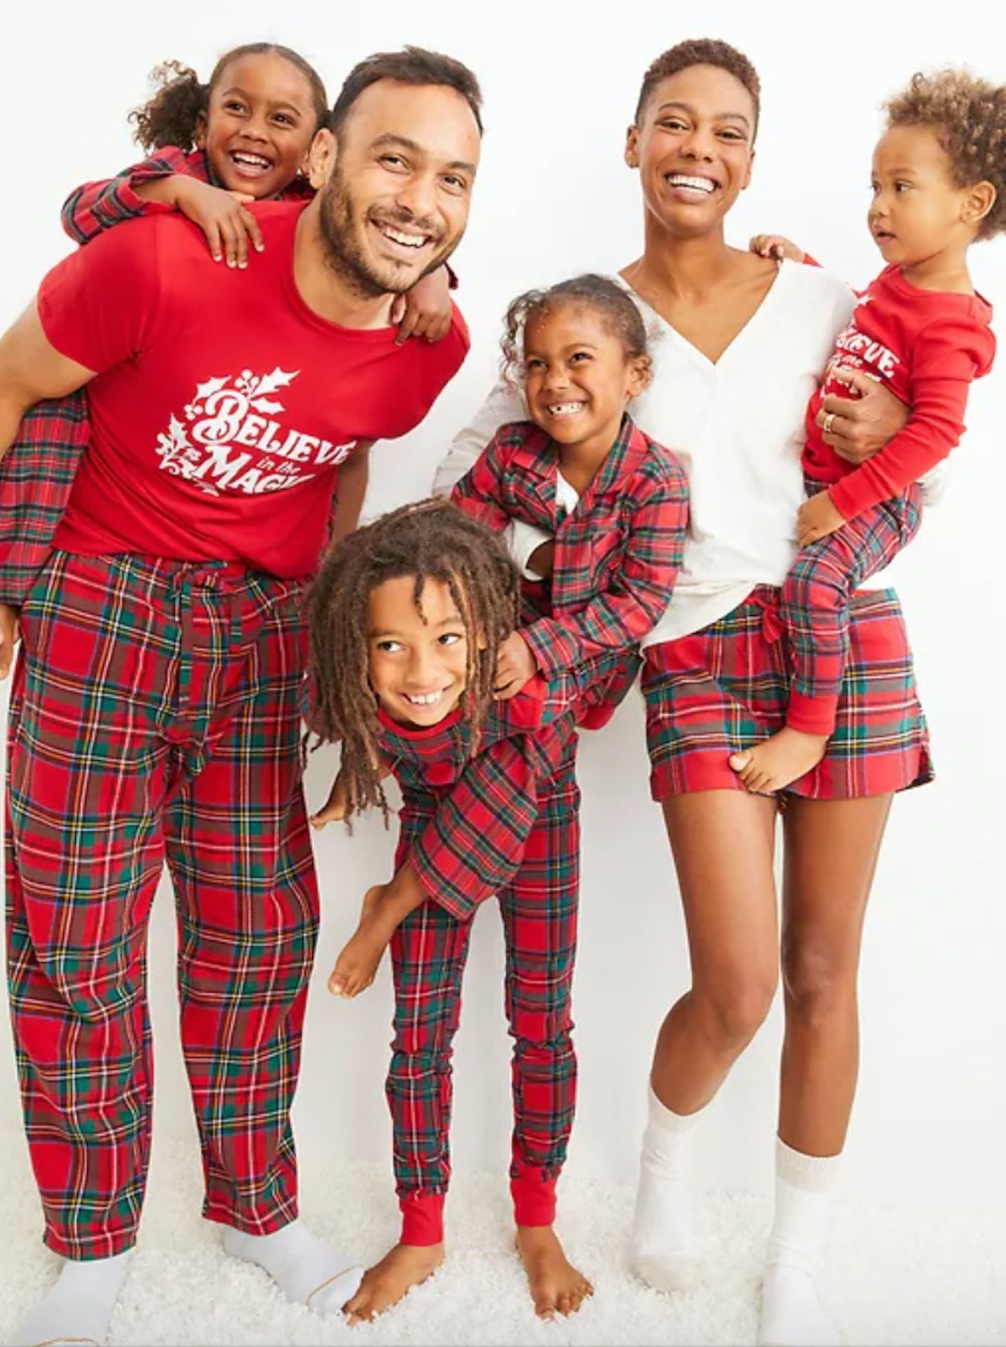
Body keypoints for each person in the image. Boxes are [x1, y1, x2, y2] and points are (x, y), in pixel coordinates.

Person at [434, 37, 938, 1347]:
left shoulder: (824, 298)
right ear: (633, 142)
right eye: (672, 122)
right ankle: (663, 1166)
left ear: (752, 158)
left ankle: (798, 1264)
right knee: (738, 982)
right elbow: (478, 460)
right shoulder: (593, 320)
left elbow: (916, 472)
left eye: (724, 130)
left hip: (845, 640)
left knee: (827, 967)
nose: (696, 148)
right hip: (697, 656)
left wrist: (892, 458)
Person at [0, 46, 482, 1347]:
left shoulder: (432, 340)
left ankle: (252, 1208)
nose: (420, 197)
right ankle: (91, 1246)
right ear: (322, 158)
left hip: (264, 636)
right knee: (77, 938)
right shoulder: (159, 260)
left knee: (257, 937)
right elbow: (9, 384)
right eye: (393, 157)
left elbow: (346, 462)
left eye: (453, 178)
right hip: (106, 607)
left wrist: (323, 610)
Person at [0, 43, 453, 665]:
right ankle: (4, 587)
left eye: (283, 119)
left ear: (320, 152)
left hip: (261, 599)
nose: (255, 131)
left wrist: (436, 274)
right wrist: (176, 191)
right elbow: (80, 210)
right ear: (203, 124)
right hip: (102, 505)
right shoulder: (167, 210)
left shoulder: (336, 238)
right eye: (236, 108)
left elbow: (390, 236)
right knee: (46, 449)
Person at [307, 500, 657, 1322]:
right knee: (419, 1033)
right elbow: (367, 720)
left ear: (489, 630)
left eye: (447, 641)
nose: (421, 671)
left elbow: (561, 714)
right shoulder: (358, 688)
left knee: (541, 1023)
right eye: (390, 645)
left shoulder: (522, 684)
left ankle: (536, 1220)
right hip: (436, 819)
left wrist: (398, 898)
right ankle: (421, 1227)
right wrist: (352, 776)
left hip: (540, 818)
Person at [731, 68, 1002, 792]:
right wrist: (805, 268)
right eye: (874, 188)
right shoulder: (897, 283)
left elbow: (935, 435)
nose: (878, 208)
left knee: (816, 581)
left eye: (901, 188)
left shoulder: (952, 324)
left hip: (880, 497)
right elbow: (857, 321)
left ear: (972, 204)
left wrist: (839, 506)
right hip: (836, 481)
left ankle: (809, 732)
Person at [450, 274, 689, 711]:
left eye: (578, 358)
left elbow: (639, 601)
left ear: (635, 374)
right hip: (494, 626)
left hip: (585, 657)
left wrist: (537, 648)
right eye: (538, 364)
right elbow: (460, 532)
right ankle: (383, 759)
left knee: (521, 708)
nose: (555, 381)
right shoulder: (510, 449)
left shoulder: (656, 479)